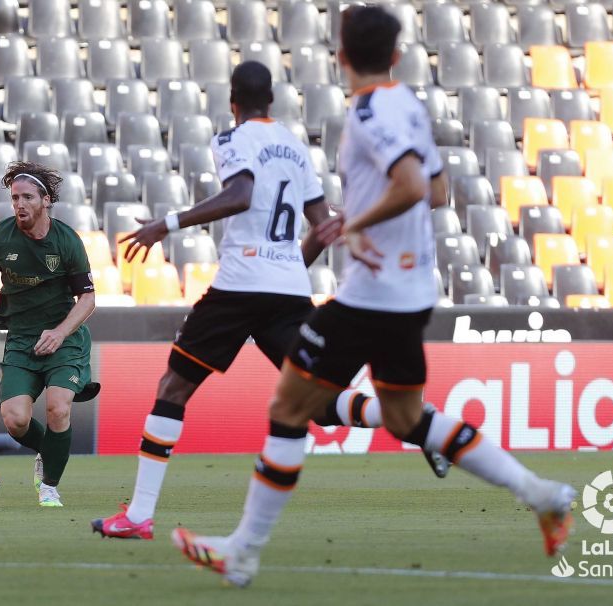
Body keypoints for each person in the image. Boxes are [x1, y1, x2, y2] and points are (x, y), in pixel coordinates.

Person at [172, 6, 576, 587]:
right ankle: (541, 493)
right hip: (412, 294)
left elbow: (412, 187)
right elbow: (436, 190)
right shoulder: (407, 104)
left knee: (289, 408)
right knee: (406, 415)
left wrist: (357, 223)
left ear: (339, 55)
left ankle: (243, 551)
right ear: (397, 55)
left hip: (370, 295)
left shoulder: (365, 112)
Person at [90, 61, 448, 541]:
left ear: (232, 101)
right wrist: (287, 269)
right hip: (287, 287)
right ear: (273, 100)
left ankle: (137, 515)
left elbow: (240, 195)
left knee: (173, 388)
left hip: (240, 287)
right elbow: (323, 226)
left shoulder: (232, 139)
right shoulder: (295, 147)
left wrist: (165, 225)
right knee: (319, 402)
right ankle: (422, 423)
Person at [0, 161, 97, 507]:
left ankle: (49, 485)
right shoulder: (0, 238)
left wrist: (61, 331)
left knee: (58, 409)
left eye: (27, 197)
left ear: (46, 200)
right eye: (15, 198)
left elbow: (88, 299)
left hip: (63, 340)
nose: (19, 204)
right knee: (16, 420)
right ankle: (48, 452)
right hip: (21, 340)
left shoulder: (67, 241)